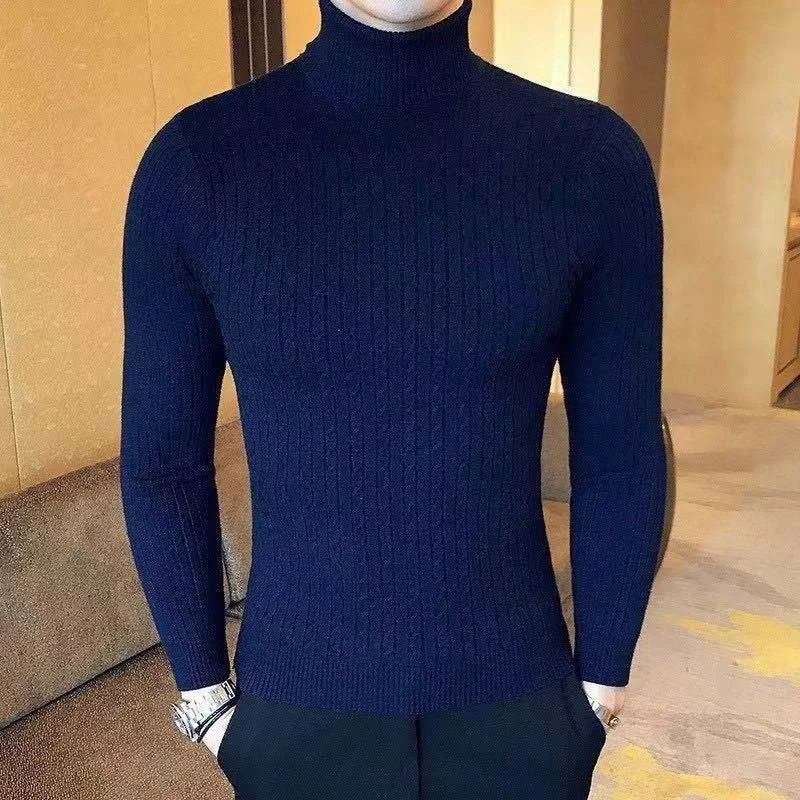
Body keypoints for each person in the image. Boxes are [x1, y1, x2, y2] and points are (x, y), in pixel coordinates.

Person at [118, 0, 666, 797]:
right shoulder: (197, 164)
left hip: (525, 717)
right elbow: (163, 463)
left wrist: (601, 689)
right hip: (292, 721)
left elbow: (621, 455)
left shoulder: (590, 162)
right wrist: (206, 702)